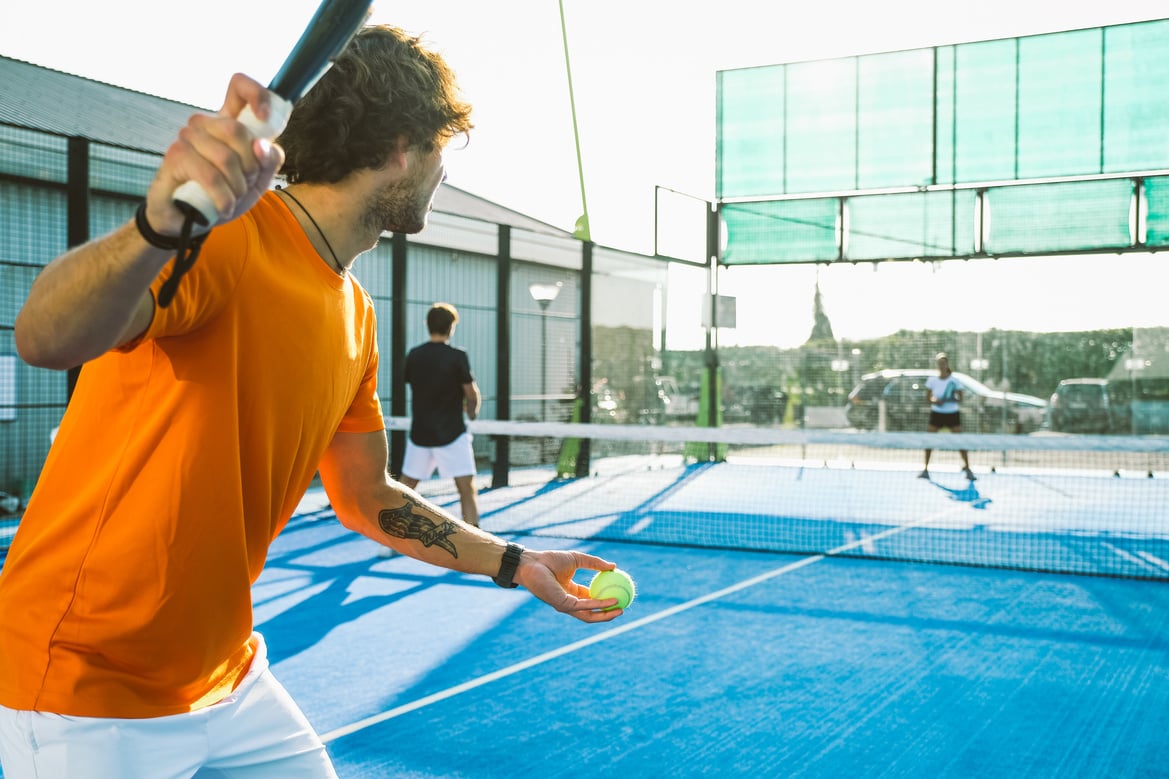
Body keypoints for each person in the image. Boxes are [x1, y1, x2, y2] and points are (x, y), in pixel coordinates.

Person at [0, 25, 623, 779]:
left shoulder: (354, 314)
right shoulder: (225, 241)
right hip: (83, 689)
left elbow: (364, 496)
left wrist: (515, 561)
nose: (440, 178)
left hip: (226, 676)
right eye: (439, 154)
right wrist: (157, 224)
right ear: (401, 147)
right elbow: (42, 334)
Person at [377, 302, 480, 558]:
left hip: (420, 434)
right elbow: (471, 394)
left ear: (428, 325)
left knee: (406, 489)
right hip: (453, 433)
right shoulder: (457, 355)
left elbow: (415, 384)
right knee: (466, 487)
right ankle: (477, 545)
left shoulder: (415, 355)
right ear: (451, 327)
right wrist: (472, 412)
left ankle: (389, 542)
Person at [919, 352, 975, 481]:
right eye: (939, 363)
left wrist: (950, 399)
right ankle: (925, 469)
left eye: (943, 363)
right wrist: (935, 401)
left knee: (959, 441)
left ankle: (968, 469)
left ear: (947, 364)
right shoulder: (932, 380)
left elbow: (960, 397)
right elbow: (928, 397)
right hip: (936, 414)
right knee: (929, 441)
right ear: (937, 365)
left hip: (952, 414)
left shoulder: (954, 381)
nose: (941, 365)